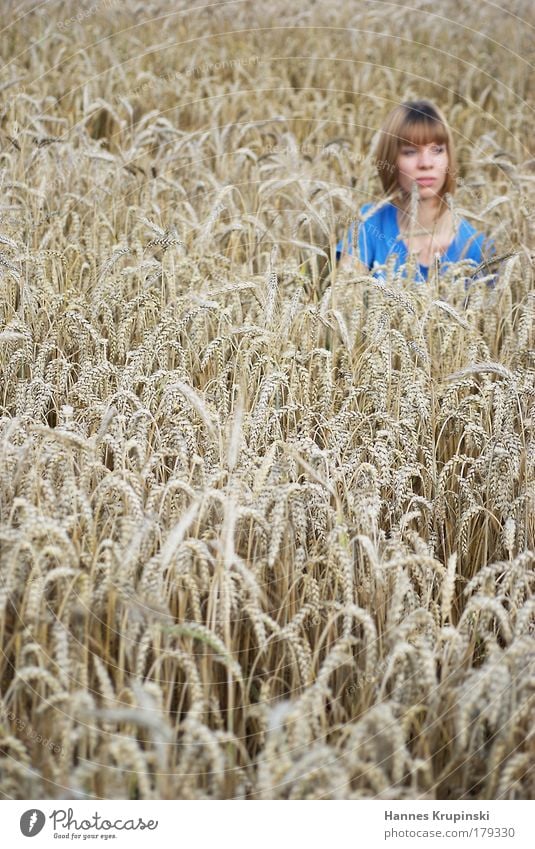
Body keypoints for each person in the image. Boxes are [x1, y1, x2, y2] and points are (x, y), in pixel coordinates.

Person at [336, 100, 494, 283]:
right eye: (410, 152)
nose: (426, 163)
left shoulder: (478, 248)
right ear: (391, 159)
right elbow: (344, 299)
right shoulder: (369, 223)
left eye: (437, 150)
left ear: (449, 157)